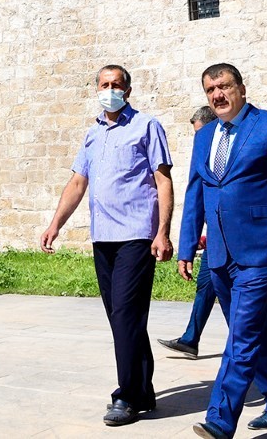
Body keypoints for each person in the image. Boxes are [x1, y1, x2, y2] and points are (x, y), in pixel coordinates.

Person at [178, 63, 267, 439]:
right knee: (252, 333)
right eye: (210, 90)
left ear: (241, 88)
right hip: (219, 254)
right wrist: (187, 246)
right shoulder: (205, 136)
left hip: (261, 252)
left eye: (224, 86)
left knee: (240, 336)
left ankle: (220, 420)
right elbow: (195, 193)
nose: (218, 95)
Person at [40, 64, 174, 427]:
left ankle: (126, 395)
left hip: (136, 236)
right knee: (122, 319)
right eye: (104, 84)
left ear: (127, 91)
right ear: (96, 89)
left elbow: (163, 180)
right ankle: (143, 390)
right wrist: (55, 224)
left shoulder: (147, 126)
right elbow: (77, 184)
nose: (110, 89)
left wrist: (163, 231)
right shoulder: (92, 134)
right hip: (103, 238)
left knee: (126, 316)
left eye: (116, 85)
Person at [157, 106, 218, 358]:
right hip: (215, 238)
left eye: (200, 133)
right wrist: (188, 247)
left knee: (253, 296)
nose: (198, 139)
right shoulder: (204, 152)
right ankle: (190, 339)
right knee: (205, 287)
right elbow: (196, 199)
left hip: (242, 239)